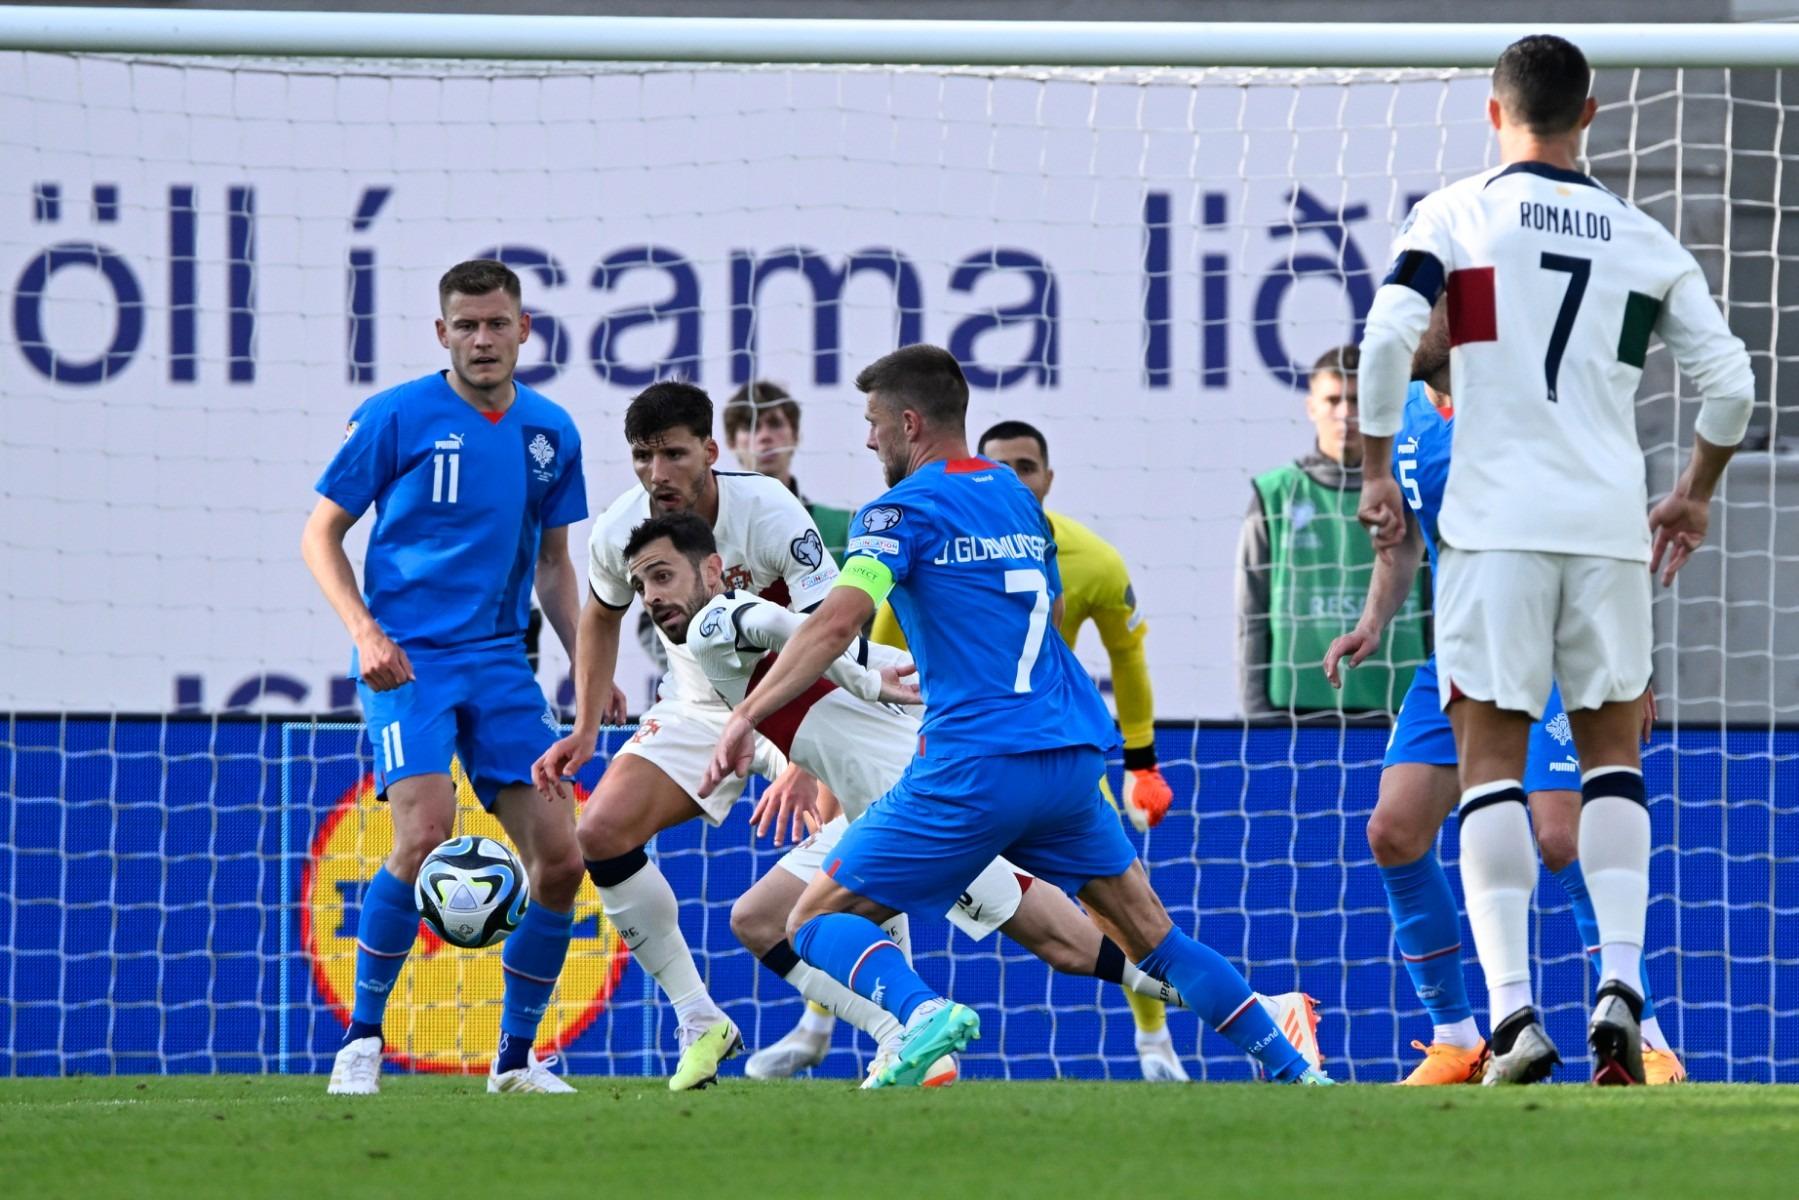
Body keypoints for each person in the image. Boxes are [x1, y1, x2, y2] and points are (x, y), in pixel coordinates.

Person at [701, 343, 1331, 1088]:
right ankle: (1293, 1069)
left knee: (809, 920)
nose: (868, 440)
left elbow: (839, 621)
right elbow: (1055, 609)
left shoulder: (896, 512)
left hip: (973, 765)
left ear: (908, 422)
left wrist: (746, 715)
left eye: (873, 423)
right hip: (1067, 757)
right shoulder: (1013, 495)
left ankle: (920, 1015)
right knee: (1154, 939)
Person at [1358, 33, 1753, 1085]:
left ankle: (1508, 1017)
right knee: (1611, 766)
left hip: (1493, 528)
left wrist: (1370, 466)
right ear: (1588, 116)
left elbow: (1391, 333)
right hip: (1606, 527)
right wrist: (1692, 494)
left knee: (1487, 768)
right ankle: (1618, 987)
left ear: (1494, 114)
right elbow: (1730, 386)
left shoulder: (1456, 212)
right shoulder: (1641, 235)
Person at [621, 510, 1323, 1084]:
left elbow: (782, 628)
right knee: (764, 915)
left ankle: (919, 1023)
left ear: (712, 569)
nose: (652, 596)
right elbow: (817, 680)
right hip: (903, 792)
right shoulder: (719, 648)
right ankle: (904, 1035)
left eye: (662, 575)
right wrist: (833, 708)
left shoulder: (717, 620)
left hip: (925, 800)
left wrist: (853, 680)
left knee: (1066, 944)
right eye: (640, 585)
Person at [1327, 301, 1682, 1085]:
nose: (1395, 332)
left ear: (1456, 316)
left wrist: (1628, 658)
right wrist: (1371, 625)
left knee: (1559, 834)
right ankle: (1459, 1037)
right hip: (1457, 648)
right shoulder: (1404, 416)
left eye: (1415, 314)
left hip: (1552, 643)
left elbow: (1602, 521)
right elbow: (1403, 540)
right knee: (1393, 831)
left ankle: (1642, 1036)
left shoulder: (1530, 400)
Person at [300, 258, 588, 1096]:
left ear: (524, 329)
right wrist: (364, 632)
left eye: (497, 323)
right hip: (408, 663)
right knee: (422, 834)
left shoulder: (550, 432)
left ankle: (515, 1060)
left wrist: (585, 663)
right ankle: (361, 1041)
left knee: (563, 862)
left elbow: (556, 566)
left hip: (501, 662)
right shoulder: (397, 416)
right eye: (466, 325)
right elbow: (321, 534)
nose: (483, 339)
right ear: (441, 334)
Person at [531, 381, 836, 1092]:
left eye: (671, 454)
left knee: (855, 846)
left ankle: (898, 1027)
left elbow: (830, 627)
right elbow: (600, 615)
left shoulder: (767, 510)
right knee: (599, 832)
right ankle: (700, 1019)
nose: (656, 474)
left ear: (709, 450)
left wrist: (805, 753)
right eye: (642, 457)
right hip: (699, 708)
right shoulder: (618, 528)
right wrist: (582, 725)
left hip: (802, 703)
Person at [867, 418, 1190, 1080]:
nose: (1015, 476)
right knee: (860, 879)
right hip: (952, 749)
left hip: (1050, 750)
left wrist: (1141, 761)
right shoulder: (931, 537)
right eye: (1000, 464)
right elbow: (879, 645)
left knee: (1123, 905)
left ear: (1046, 476)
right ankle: (858, 1028)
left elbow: (1128, 661)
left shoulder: (1092, 560)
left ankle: (1155, 1041)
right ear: (979, 471)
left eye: (1026, 465)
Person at [1236, 344, 1428, 719]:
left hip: (1401, 706)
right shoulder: (1274, 493)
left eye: (1358, 400)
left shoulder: (1410, 488)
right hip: (1292, 712)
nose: (1346, 414)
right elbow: (1251, 614)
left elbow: (1436, 600)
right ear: (1311, 407)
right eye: (1333, 400)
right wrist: (1257, 716)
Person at [724, 381, 855, 560]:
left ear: (795, 436)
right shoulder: (710, 531)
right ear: (731, 442)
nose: (764, 436)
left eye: (775, 424)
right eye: (750, 426)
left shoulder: (844, 527)